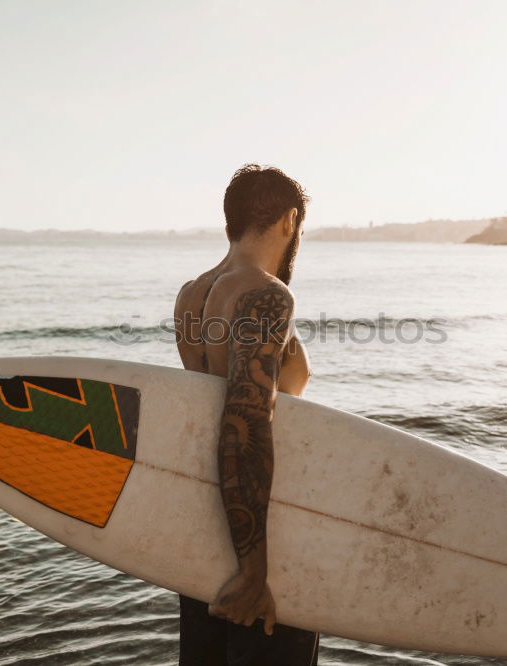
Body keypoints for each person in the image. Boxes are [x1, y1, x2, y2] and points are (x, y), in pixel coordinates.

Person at [172, 164, 317, 665]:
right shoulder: (267, 296)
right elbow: (245, 423)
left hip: (204, 535)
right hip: (260, 539)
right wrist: (256, 571)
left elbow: (210, 410)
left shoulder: (192, 295)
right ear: (289, 220)